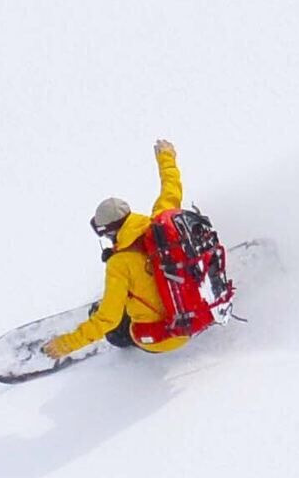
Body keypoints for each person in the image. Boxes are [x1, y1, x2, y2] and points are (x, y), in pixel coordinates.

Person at [45, 140, 192, 359]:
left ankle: (125, 314)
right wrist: (166, 157)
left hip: (165, 338)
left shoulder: (119, 265)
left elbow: (108, 319)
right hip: (191, 316)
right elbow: (171, 188)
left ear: (110, 232)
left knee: (114, 330)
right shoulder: (160, 224)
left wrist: (67, 344)